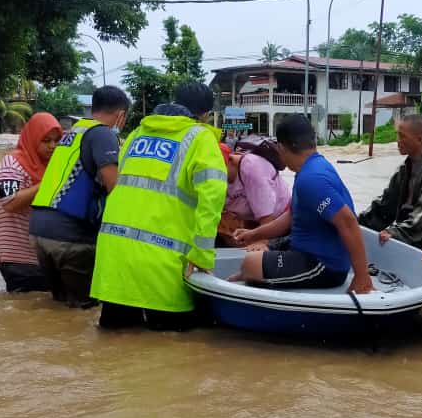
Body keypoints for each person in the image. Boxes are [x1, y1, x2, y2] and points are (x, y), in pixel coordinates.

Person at [92, 82, 228, 331]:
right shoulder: (201, 139)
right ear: (206, 115)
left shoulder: (136, 135)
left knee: (112, 347)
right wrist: (201, 257)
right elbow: (212, 202)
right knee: (174, 353)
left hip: (114, 262)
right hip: (161, 268)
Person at [230, 115, 373, 293]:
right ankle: (250, 275)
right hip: (305, 248)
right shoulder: (310, 167)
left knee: (250, 264)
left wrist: (362, 276)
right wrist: (253, 234)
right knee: (253, 254)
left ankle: (251, 276)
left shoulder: (311, 179)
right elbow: (291, 216)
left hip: (323, 264)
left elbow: (348, 222)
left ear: (281, 148)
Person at [29, 85, 130, 307]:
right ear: (121, 115)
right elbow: (115, 188)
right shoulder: (104, 134)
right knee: (83, 312)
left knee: (59, 308)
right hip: (70, 237)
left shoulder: (74, 132)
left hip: (39, 232)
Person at [358, 113, 422, 251]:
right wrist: (355, 223)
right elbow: (384, 206)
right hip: (409, 246)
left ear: (419, 139)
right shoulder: (404, 169)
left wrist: (394, 232)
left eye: (402, 136)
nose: (397, 141)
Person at [0, 112, 63, 292]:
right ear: (32, 137)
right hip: (15, 257)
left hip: (39, 256)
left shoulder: (53, 166)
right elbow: (9, 203)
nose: (52, 146)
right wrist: (45, 184)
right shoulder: (11, 163)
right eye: (46, 140)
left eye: (56, 141)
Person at [216, 142, 290, 246]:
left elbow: (267, 216)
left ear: (231, 160)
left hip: (280, 222)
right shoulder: (211, 180)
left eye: (219, 171)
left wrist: (261, 242)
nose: (215, 177)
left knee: (255, 256)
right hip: (251, 223)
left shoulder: (252, 167)